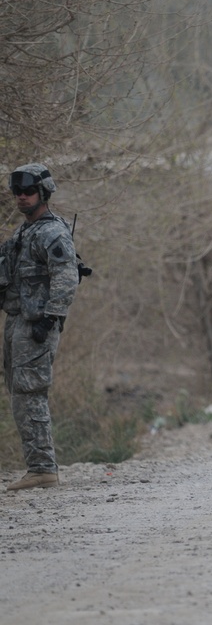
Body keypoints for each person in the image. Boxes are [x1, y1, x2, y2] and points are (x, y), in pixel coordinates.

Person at [1, 164, 79, 491]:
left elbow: (66, 276)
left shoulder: (51, 232)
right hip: (18, 321)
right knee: (20, 392)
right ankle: (39, 467)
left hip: (37, 325)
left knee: (30, 392)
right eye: (17, 191)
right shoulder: (24, 232)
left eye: (29, 191)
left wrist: (49, 319)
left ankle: (43, 469)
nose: (22, 196)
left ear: (43, 192)